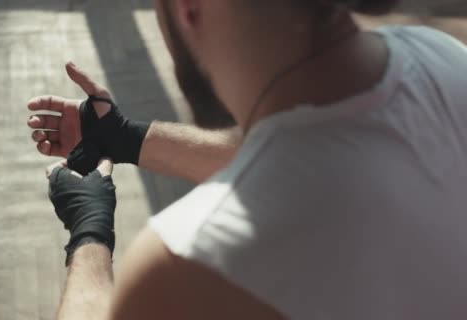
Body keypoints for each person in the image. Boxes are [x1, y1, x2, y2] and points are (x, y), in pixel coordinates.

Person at [27, 0, 467, 319]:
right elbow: (320, 154)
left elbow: (297, 165)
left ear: (189, 9)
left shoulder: (190, 262)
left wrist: (89, 235)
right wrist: (128, 140)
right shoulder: (442, 60)